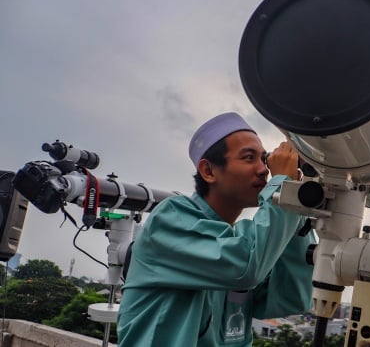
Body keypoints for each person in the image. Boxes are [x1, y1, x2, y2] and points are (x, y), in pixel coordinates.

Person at [117, 112, 315, 346]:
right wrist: (283, 182)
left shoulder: (235, 240)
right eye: (249, 158)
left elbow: (292, 298)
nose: (263, 170)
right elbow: (245, 267)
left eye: (264, 159)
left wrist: (294, 207)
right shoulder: (170, 220)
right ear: (209, 171)